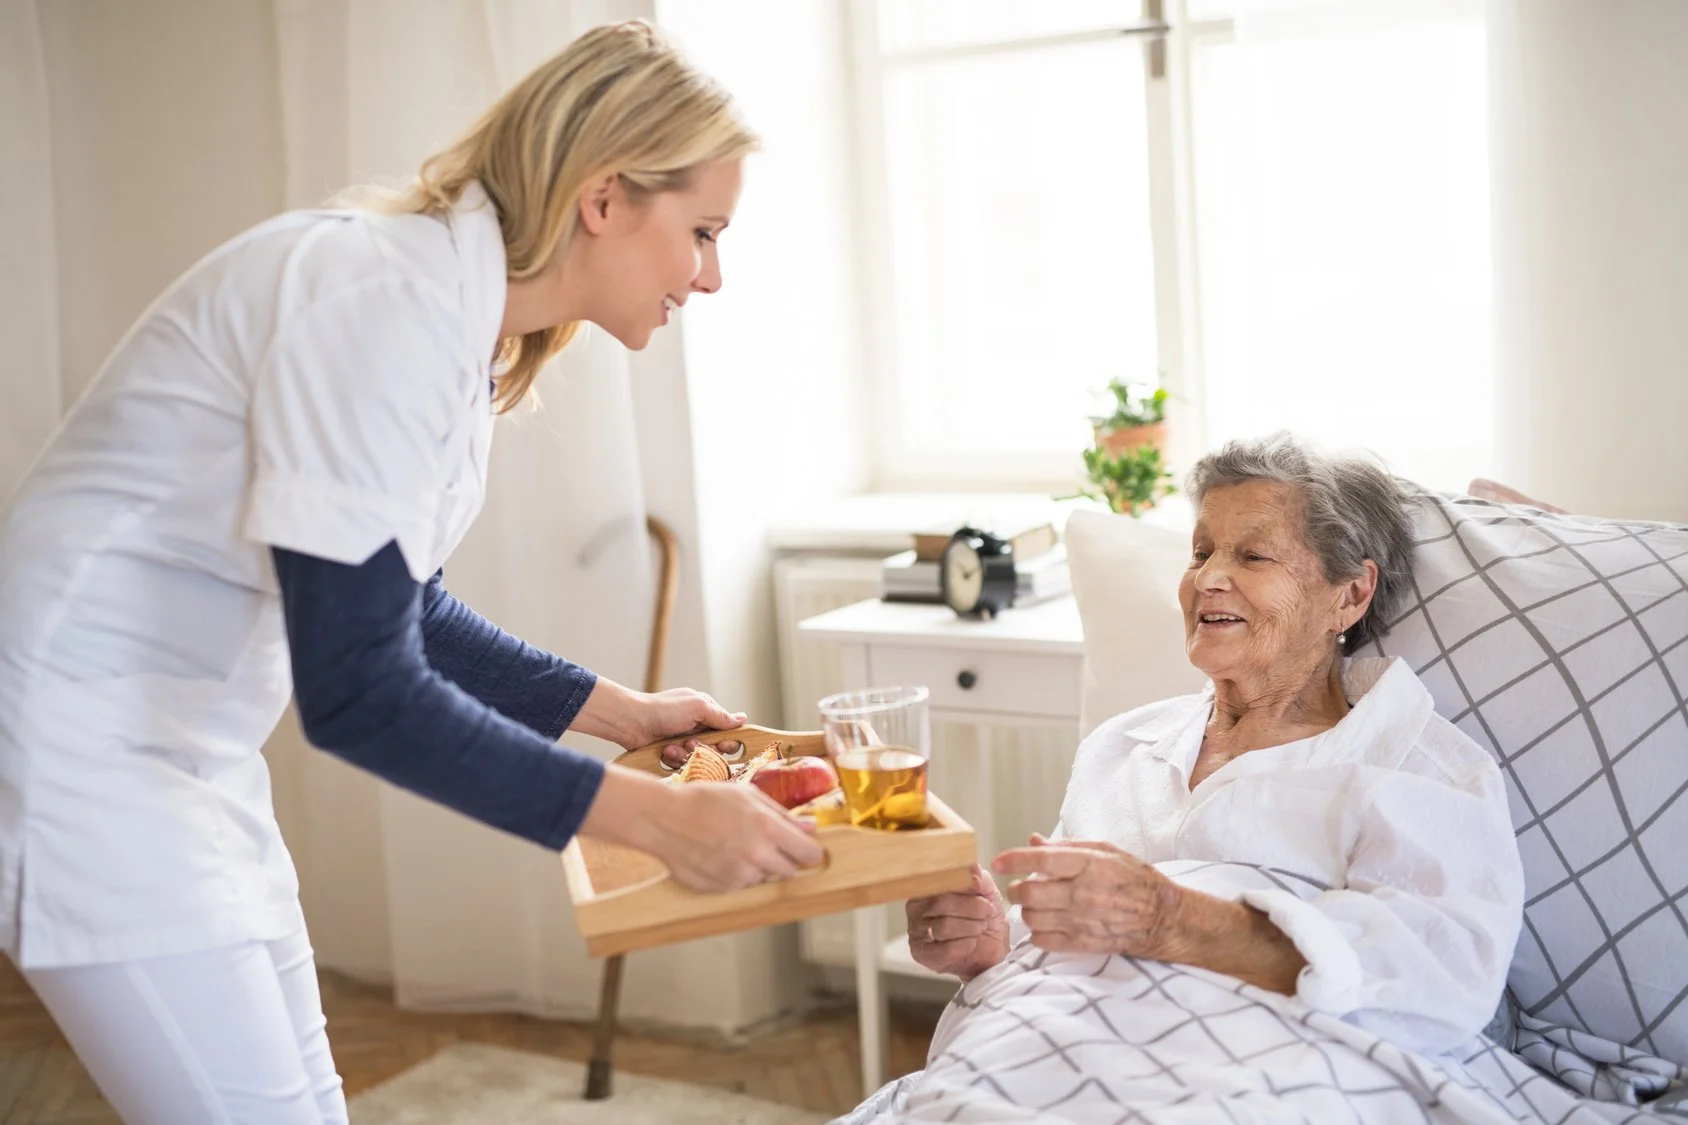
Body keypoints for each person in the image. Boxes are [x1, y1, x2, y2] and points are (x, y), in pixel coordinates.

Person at [0, 20, 821, 1125]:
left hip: (183, 747)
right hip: (80, 758)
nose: (712, 277)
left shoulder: (450, 319)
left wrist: (617, 714)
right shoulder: (379, 303)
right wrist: (651, 820)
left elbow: (402, 605)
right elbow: (358, 692)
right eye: (704, 232)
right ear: (604, 196)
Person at [847, 434, 1528, 1123]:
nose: (1206, 578)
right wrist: (991, 943)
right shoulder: (1122, 745)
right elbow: (1065, 947)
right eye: (1201, 551)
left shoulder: (1414, 763)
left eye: (1251, 555)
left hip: (1245, 1083)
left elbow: (1444, 977)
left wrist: (1171, 917)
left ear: (1349, 594)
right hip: (1041, 1055)